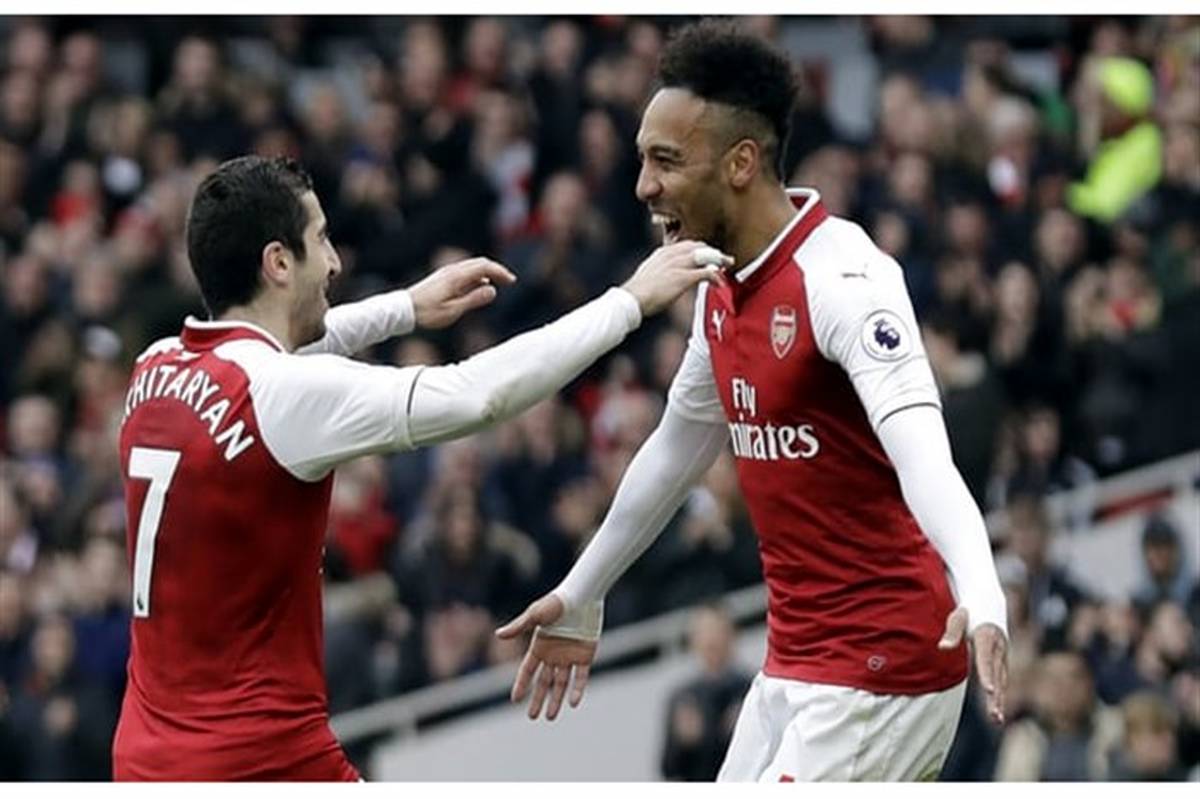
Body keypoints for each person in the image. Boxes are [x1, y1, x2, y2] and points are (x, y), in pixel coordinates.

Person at [497, 21, 1008, 782]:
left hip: (885, 670)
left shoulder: (845, 280)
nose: (644, 186)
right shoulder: (719, 281)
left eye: (666, 160)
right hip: (794, 661)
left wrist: (985, 592)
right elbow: (676, 448)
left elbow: (925, 459)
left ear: (740, 163)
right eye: (643, 160)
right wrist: (582, 590)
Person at [113, 154, 729, 781]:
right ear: (277, 263)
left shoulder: (155, 365)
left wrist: (406, 307)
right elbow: (477, 396)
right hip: (257, 762)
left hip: (145, 757)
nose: (334, 263)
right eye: (320, 240)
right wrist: (628, 302)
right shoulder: (277, 396)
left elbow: (278, 351)